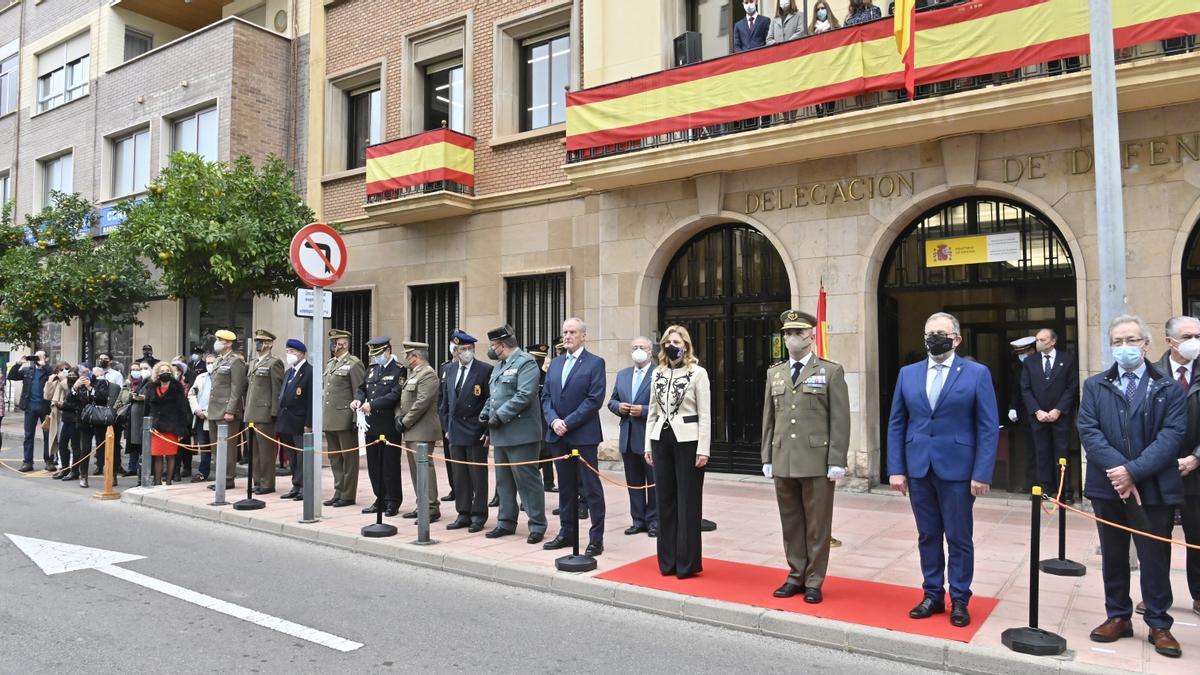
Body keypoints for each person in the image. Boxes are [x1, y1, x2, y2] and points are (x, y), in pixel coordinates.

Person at [1078, 314, 1185, 658]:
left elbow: (1172, 436)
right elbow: (1089, 431)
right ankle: (1118, 615)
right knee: (1113, 553)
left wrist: (1133, 472)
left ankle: (1158, 622)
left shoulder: (1167, 387)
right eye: (1118, 342)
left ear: (1146, 344)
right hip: (1107, 485)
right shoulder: (1095, 385)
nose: (1124, 347)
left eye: (1131, 340)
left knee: (1154, 553)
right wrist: (1118, 471)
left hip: (1153, 484)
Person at [887, 311, 997, 628]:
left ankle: (960, 598)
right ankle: (932, 594)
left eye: (941, 332)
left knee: (959, 536)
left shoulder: (976, 373)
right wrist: (896, 469)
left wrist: (982, 472)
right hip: (919, 466)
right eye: (929, 332)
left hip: (959, 470)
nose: (934, 337)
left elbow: (987, 426)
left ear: (956, 339)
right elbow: (897, 423)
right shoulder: (908, 374)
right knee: (928, 535)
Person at [762, 311, 850, 603]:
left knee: (817, 525)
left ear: (811, 336)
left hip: (816, 460)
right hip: (784, 456)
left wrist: (836, 460)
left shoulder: (830, 371)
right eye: (787, 333)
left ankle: (814, 580)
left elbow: (839, 420)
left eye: (797, 333)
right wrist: (767, 456)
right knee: (791, 523)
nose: (790, 338)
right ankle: (795, 575)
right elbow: (769, 419)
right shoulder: (775, 373)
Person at [645, 325, 712, 579]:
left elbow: (705, 415)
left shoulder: (698, 373)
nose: (672, 345)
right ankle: (667, 560)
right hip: (661, 439)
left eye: (676, 341)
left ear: (686, 344)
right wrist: (647, 445)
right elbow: (652, 411)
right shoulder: (658, 373)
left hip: (688, 441)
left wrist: (703, 448)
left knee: (687, 502)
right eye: (668, 341)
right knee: (665, 501)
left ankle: (687, 562)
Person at [541, 318, 607, 556]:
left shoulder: (595, 363)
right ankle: (567, 532)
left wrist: (567, 423)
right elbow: (546, 397)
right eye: (565, 332)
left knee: (590, 489)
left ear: (583, 336)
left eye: (572, 332)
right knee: (565, 487)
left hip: (583, 435)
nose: (567, 336)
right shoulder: (556, 364)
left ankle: (596, 538)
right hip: (558, 435)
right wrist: (553, 421)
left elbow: (594, 400)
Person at [479, 325, 548, 543]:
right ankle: (506, 522)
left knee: (527, 480)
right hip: (500, 434)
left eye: (493, 345)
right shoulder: (499, 366)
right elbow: (494, 396)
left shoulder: (526, 362)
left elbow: (524, 395)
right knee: (504, 481)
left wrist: (499, 416)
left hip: (522, 433)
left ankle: (537, 525)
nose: (491, 349)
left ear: (501, 345)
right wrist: (485, 414)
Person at [1153, 315, 1200, 620]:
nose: (1195, 341)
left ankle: (1199, 595)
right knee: (1156, 538)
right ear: (1169, 341)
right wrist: (1162, 459)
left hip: (1198, 470)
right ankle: (1156, 597)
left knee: (1197, 537)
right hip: (1159, 471)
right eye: (1187, 336)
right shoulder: (1151, 375)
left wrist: (1196, 457)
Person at [438, 330, 493, 532]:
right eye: (462, 349)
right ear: (456, 351)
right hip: (454, 431)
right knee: (459, 474)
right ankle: (463, 512)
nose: (466, 352)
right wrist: (446, 426)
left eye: (469, 349)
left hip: (475, 430)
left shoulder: (484, 370)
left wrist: (487, 429)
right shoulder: (449, 369)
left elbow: (490, 401)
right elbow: (443, 401)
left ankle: (479, 514)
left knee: (477, 475)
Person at [1019, 328, 1079, 502]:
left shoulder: (1066, 360)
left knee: (1062, 453)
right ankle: (1044, 488)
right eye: (1037, 339)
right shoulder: (1030, 362)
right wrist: (1037, 410)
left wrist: (1058, 409)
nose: (1039, 342)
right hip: (1038, 416)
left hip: (1060, 416)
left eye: (1043, 339)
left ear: (1053, 341)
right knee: (1041, 452)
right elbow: (1025, 388)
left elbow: (1072, 387)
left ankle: (1064, 490)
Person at [607, 336, 658, 538]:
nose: (638, 350)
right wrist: (619, 407)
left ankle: (654, 520)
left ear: (650, 351)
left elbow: (664, 405)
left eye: (642, 347)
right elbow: (612, 401)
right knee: (634, 481)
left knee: (653, 481)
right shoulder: (623, 375)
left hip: (649, 437)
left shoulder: (659, 373)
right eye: (635, 347)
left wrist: (643, 410)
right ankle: (638, 520)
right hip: (628, 436)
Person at [353, 336, 406, 517]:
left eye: (378, 354)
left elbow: (395, 394)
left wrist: (373, 404)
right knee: (374, 465)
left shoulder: (399, 370)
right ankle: (380, 498)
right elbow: (362, 388)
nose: (376, 358)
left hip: (388, 425)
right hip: (371, 424)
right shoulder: (372, 369)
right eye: (374, 355)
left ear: (388, 351)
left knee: (390, 465)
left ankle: (393, 500)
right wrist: (358, 399)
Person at [395, 342, 442, 521]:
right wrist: (399, 417)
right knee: (415, 470)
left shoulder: (428, 374)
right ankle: (421, 503)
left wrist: (405, 421)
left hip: (422, 429)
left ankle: (431, 507)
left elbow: (422, 403)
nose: (406, 360)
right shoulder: (413, 374)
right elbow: (404, 399)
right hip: (412, 430)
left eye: (408, 356)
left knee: (424, 469)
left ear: (416, 356)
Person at [323, 329, 365, 507]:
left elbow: (359, 391)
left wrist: (356, 420)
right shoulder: (331, 363)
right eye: (332, 342)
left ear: (345, 344)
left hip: (346, 418)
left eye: (336, 342)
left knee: (349, 460)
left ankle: (348, 495)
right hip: (331, 418)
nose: (333, 345)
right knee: (334, 458)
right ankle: (338, 490)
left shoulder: (354, 364)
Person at [244, 329, 285, 495]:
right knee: (253, 452)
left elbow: (276, 390)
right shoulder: (254, 362)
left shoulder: (274, 363)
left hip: (265, 413)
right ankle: (257, 481)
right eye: (257, 341)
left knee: (266, 452)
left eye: (261, 341)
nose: (258, 344)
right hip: (251, 413)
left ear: (269, 344)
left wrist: (274, 412)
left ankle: (267, 483)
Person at [207, 330, 248, 490]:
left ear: (229, 343)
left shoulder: (235, 361)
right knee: (216, 447)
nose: (217, 342)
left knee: (228, 448)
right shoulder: (218, 360)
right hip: (214, 410)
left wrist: (231, 410)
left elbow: (237, 388)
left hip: (226, 411)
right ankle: (220, 477)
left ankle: (228, 479)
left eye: (220, 340)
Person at [277, 340, 313, 501]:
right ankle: (296, 485)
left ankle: (304, 486)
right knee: (291, 455)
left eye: (292, 351)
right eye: (288, 351)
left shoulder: (309, 371)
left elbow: (311, 400)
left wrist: (309, 423)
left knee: (302, 455)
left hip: (300, 422)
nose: (289, 354)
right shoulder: (288, 372)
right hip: (286, 420)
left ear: (301, 353)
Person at [8, 351, 52, 472]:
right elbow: (11, 376)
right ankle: (27, 462)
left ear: (46, 358)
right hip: (30, 407)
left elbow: (54, 376)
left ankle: (49, 461)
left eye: (41, 356)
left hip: (46, 408)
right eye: (36, 355)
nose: (37, 358)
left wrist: (44, 365)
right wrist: (18, 363)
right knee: (28, 436)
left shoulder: (49, 370)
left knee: (48, 435)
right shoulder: (27, 370)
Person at [146, 362, 189, 485]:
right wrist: (146, 424)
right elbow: (147, 408)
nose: (165, 373)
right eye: (162, 371)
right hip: (156, 427)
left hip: (172, 427)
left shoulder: (177, 388)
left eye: (168, 370)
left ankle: (169, 482)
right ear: (157, 374)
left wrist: (181, 429)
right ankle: (158, 482)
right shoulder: (151, 387)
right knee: (157, 455)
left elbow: (183, 410)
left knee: (170, 455)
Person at [1005, 336, 1036, 490]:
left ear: (1032, 350)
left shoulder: (1039, 364)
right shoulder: (1019, 366)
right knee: (1030, 450)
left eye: (1024, 352)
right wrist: (1012, 406)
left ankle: (1044, 484)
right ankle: (1030, 482)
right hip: (1025, 413)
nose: (1021, 356)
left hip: (1041, 413)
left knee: (1040, 450)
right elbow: (1015, 388)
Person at [527, 343, 557, 493]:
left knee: (547, 452)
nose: (538, 362)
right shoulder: (525, 376)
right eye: (535, 358)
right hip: (529, 421)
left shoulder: (546, 377)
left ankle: (548, 482)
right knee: (530, 460)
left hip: (545, 420)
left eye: (540, 359)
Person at [438, 333, 460, 503]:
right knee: (449, 457)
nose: (454, 346)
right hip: (447, 422)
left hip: (463, 422)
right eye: (452, 343)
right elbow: (441, 397)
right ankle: (455, 488)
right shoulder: (445, 367)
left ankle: (466, 490)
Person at [188, 354, 216, 482]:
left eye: (212, 362)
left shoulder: (222, 378)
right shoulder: (201, 377)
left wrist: (208, 413)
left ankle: (222, 473)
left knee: (216, 446)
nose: (210, 365)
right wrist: (196, 409)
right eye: (208, 363)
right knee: (204, 446)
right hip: (199, 415)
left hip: (213, 416)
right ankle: (203, 472)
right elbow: (191, 394)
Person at [44, 362, 74, 477]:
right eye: (61, 369)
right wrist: (50, 382)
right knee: (59, 443)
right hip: (57, 415)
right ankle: (62, 466)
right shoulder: (56, 381)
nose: (64, 371)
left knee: (69, 443)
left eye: (66, 369)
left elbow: (69, 391)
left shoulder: (71, 380)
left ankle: (71, 466)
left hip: (69, 415)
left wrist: (63, 380)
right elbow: (47, 396)